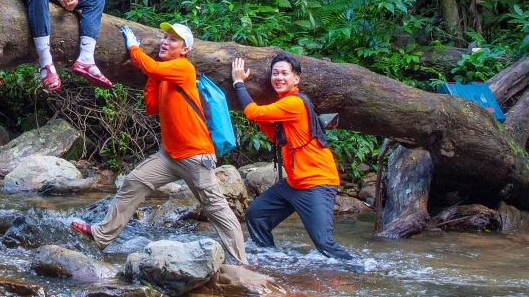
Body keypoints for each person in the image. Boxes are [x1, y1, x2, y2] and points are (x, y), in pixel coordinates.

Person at [68, 23, 250, 262]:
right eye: (165, 37)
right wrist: (152, 77)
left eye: (173, 40)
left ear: (185, 50)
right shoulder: (165, 75)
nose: (165, 41)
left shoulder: (184, 67)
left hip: (196, 156)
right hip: (170, 155)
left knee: (217, 211)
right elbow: (152, 106)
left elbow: (150, 65)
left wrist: (134, 48)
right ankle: (102, 235)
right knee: (133, 182)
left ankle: (241, 263)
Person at [240, 51, 359, 263]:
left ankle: (359, 270)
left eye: (285, 73)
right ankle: (271, 260)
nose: (279, 78)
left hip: (316, 182)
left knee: (324, 242)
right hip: (294, 183)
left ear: (296, 78)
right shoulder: (284, 105)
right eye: (275, 73)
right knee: (256, 215)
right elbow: (278, 140)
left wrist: (238, 83)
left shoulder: (293, 103)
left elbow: (252, 113)